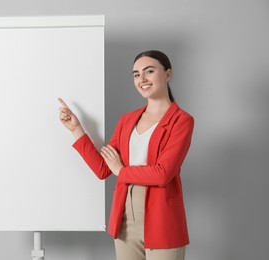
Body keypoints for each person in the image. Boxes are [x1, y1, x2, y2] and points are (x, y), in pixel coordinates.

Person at [58, 50, 194, 260]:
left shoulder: (182, 121)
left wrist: (121, 170)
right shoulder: (127, 120)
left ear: (167, 74)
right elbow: (103, 169)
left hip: (161, 219)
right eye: (136, 74)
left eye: (149, 71)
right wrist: (76, 129)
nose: (142, 79)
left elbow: (162, 174)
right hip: (125, 221)